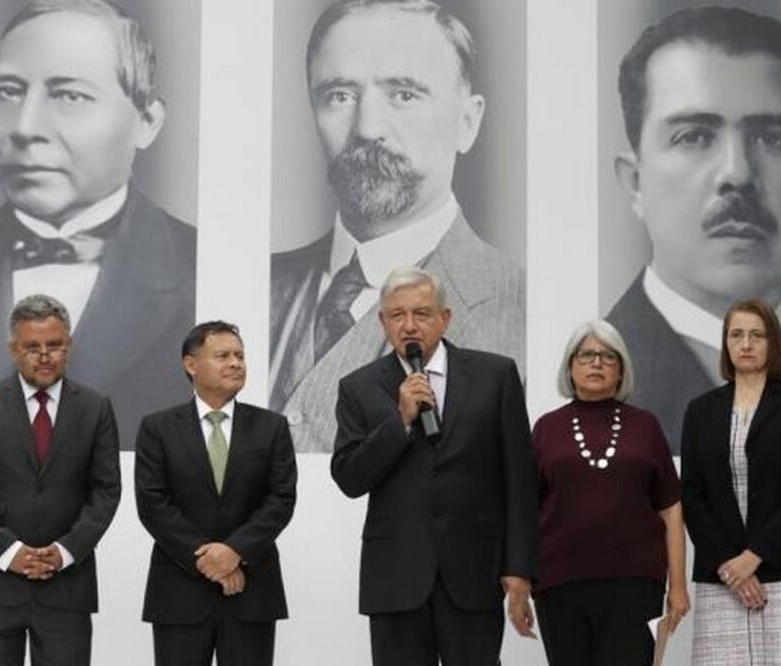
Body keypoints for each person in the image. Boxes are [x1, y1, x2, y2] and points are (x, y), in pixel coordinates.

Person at [0, 0, 195, 450]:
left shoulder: (201, 270)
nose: (25, 127)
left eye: (69, 96)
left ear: (147, 122)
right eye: (9, 92)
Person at [269, 0, 525, 452]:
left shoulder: (523, 311)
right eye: (340, 96)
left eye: (404, 94)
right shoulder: (259, 286)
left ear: (468, 122)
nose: (367, 128)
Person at [606, 5, 781, 451]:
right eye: (694, 136)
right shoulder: (603, 377)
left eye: (771, 138)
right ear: (635, 183)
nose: (737, 174)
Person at [331, 265, 538, 665]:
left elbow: (520, 481)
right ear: (382, 321)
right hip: (396, 576)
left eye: (422, 314)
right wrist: (400, 421)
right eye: (397, 315)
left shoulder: (495, 375)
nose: (409, 325)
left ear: (445, 318)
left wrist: (519, 567)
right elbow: (350, 476)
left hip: (475, 572)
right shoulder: (357, 387)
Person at [0, 293, 121, 666]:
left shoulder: (95, 407)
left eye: (54, 345)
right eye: (32, 347)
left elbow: (106, 492)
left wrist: (65, 551)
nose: (44, 355)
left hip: (66, 588)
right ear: (13, 350)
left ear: (69, 346)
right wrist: (10, 553)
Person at [134, 321, 298, 666]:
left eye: (240, 355)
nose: (236, 363)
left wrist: (235, 551)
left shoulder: (271, 427)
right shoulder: (157, 428)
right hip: (179, 594)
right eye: (223, 355)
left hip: (251, 592)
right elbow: (153, 504)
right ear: (191, 364)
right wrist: (211, 562)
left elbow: (280, 500)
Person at [531, 319, 688, 665]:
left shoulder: (646, 426)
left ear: (622, 370)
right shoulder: (546, 428)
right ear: (570, 368)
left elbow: (671, 508)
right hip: (560, 584)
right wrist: (518, 583)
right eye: (586, 355)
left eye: (608, 356)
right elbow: (529, 510)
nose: (597, 363)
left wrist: (678, 585)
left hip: (635, 583)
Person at [681, 299, 781, 665]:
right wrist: (733, 566)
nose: (746, 344)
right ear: (726, 343)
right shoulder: (701, 409)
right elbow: (694, 496)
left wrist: (754, 557)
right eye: (737, 334)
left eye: (757, 335)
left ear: (773, 342)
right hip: (722, 574)